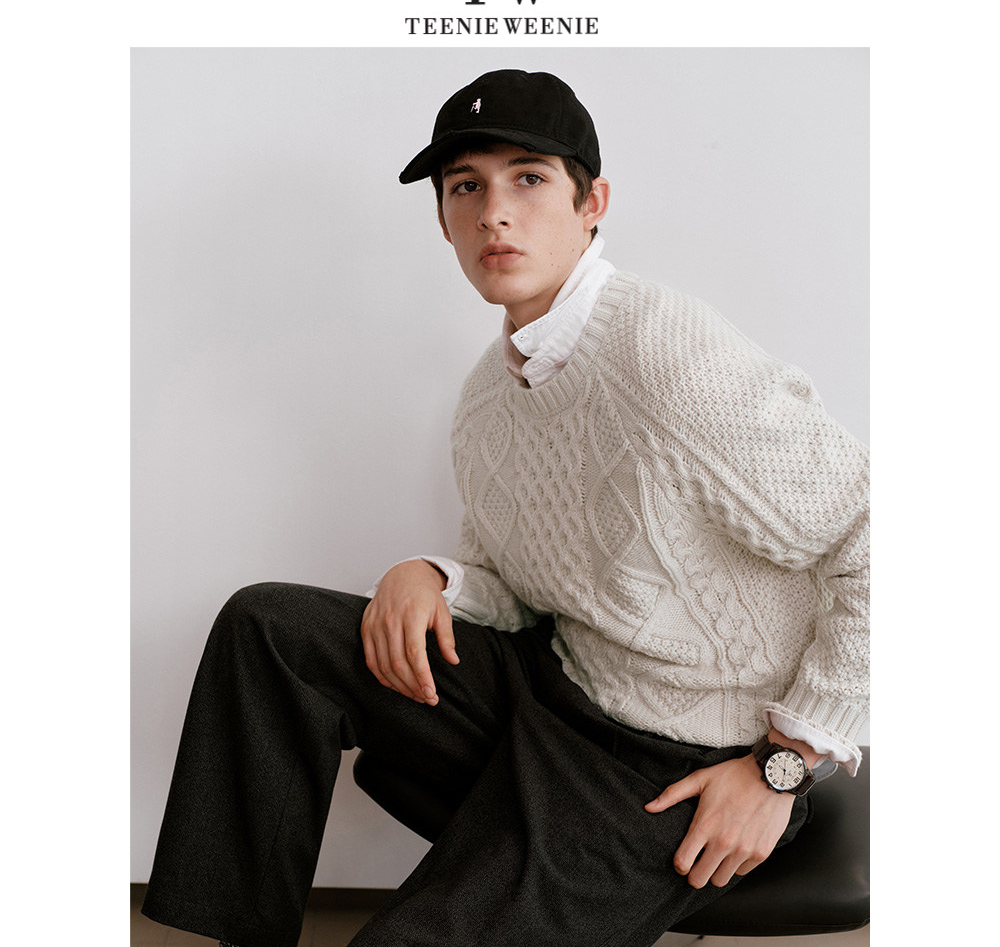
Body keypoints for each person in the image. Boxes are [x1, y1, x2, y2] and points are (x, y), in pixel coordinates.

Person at [141, 69, 869, 947]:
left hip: (683, 759)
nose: (494, 213)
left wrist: (783, 766)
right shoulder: (490, 395)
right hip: (557, 692)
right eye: (466, 188)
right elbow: (521, 589)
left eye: (528, 178)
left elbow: (880, 536)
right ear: (444, 221)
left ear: (592, 203)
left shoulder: (670, 358)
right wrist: (433, 576)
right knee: (269, 631)